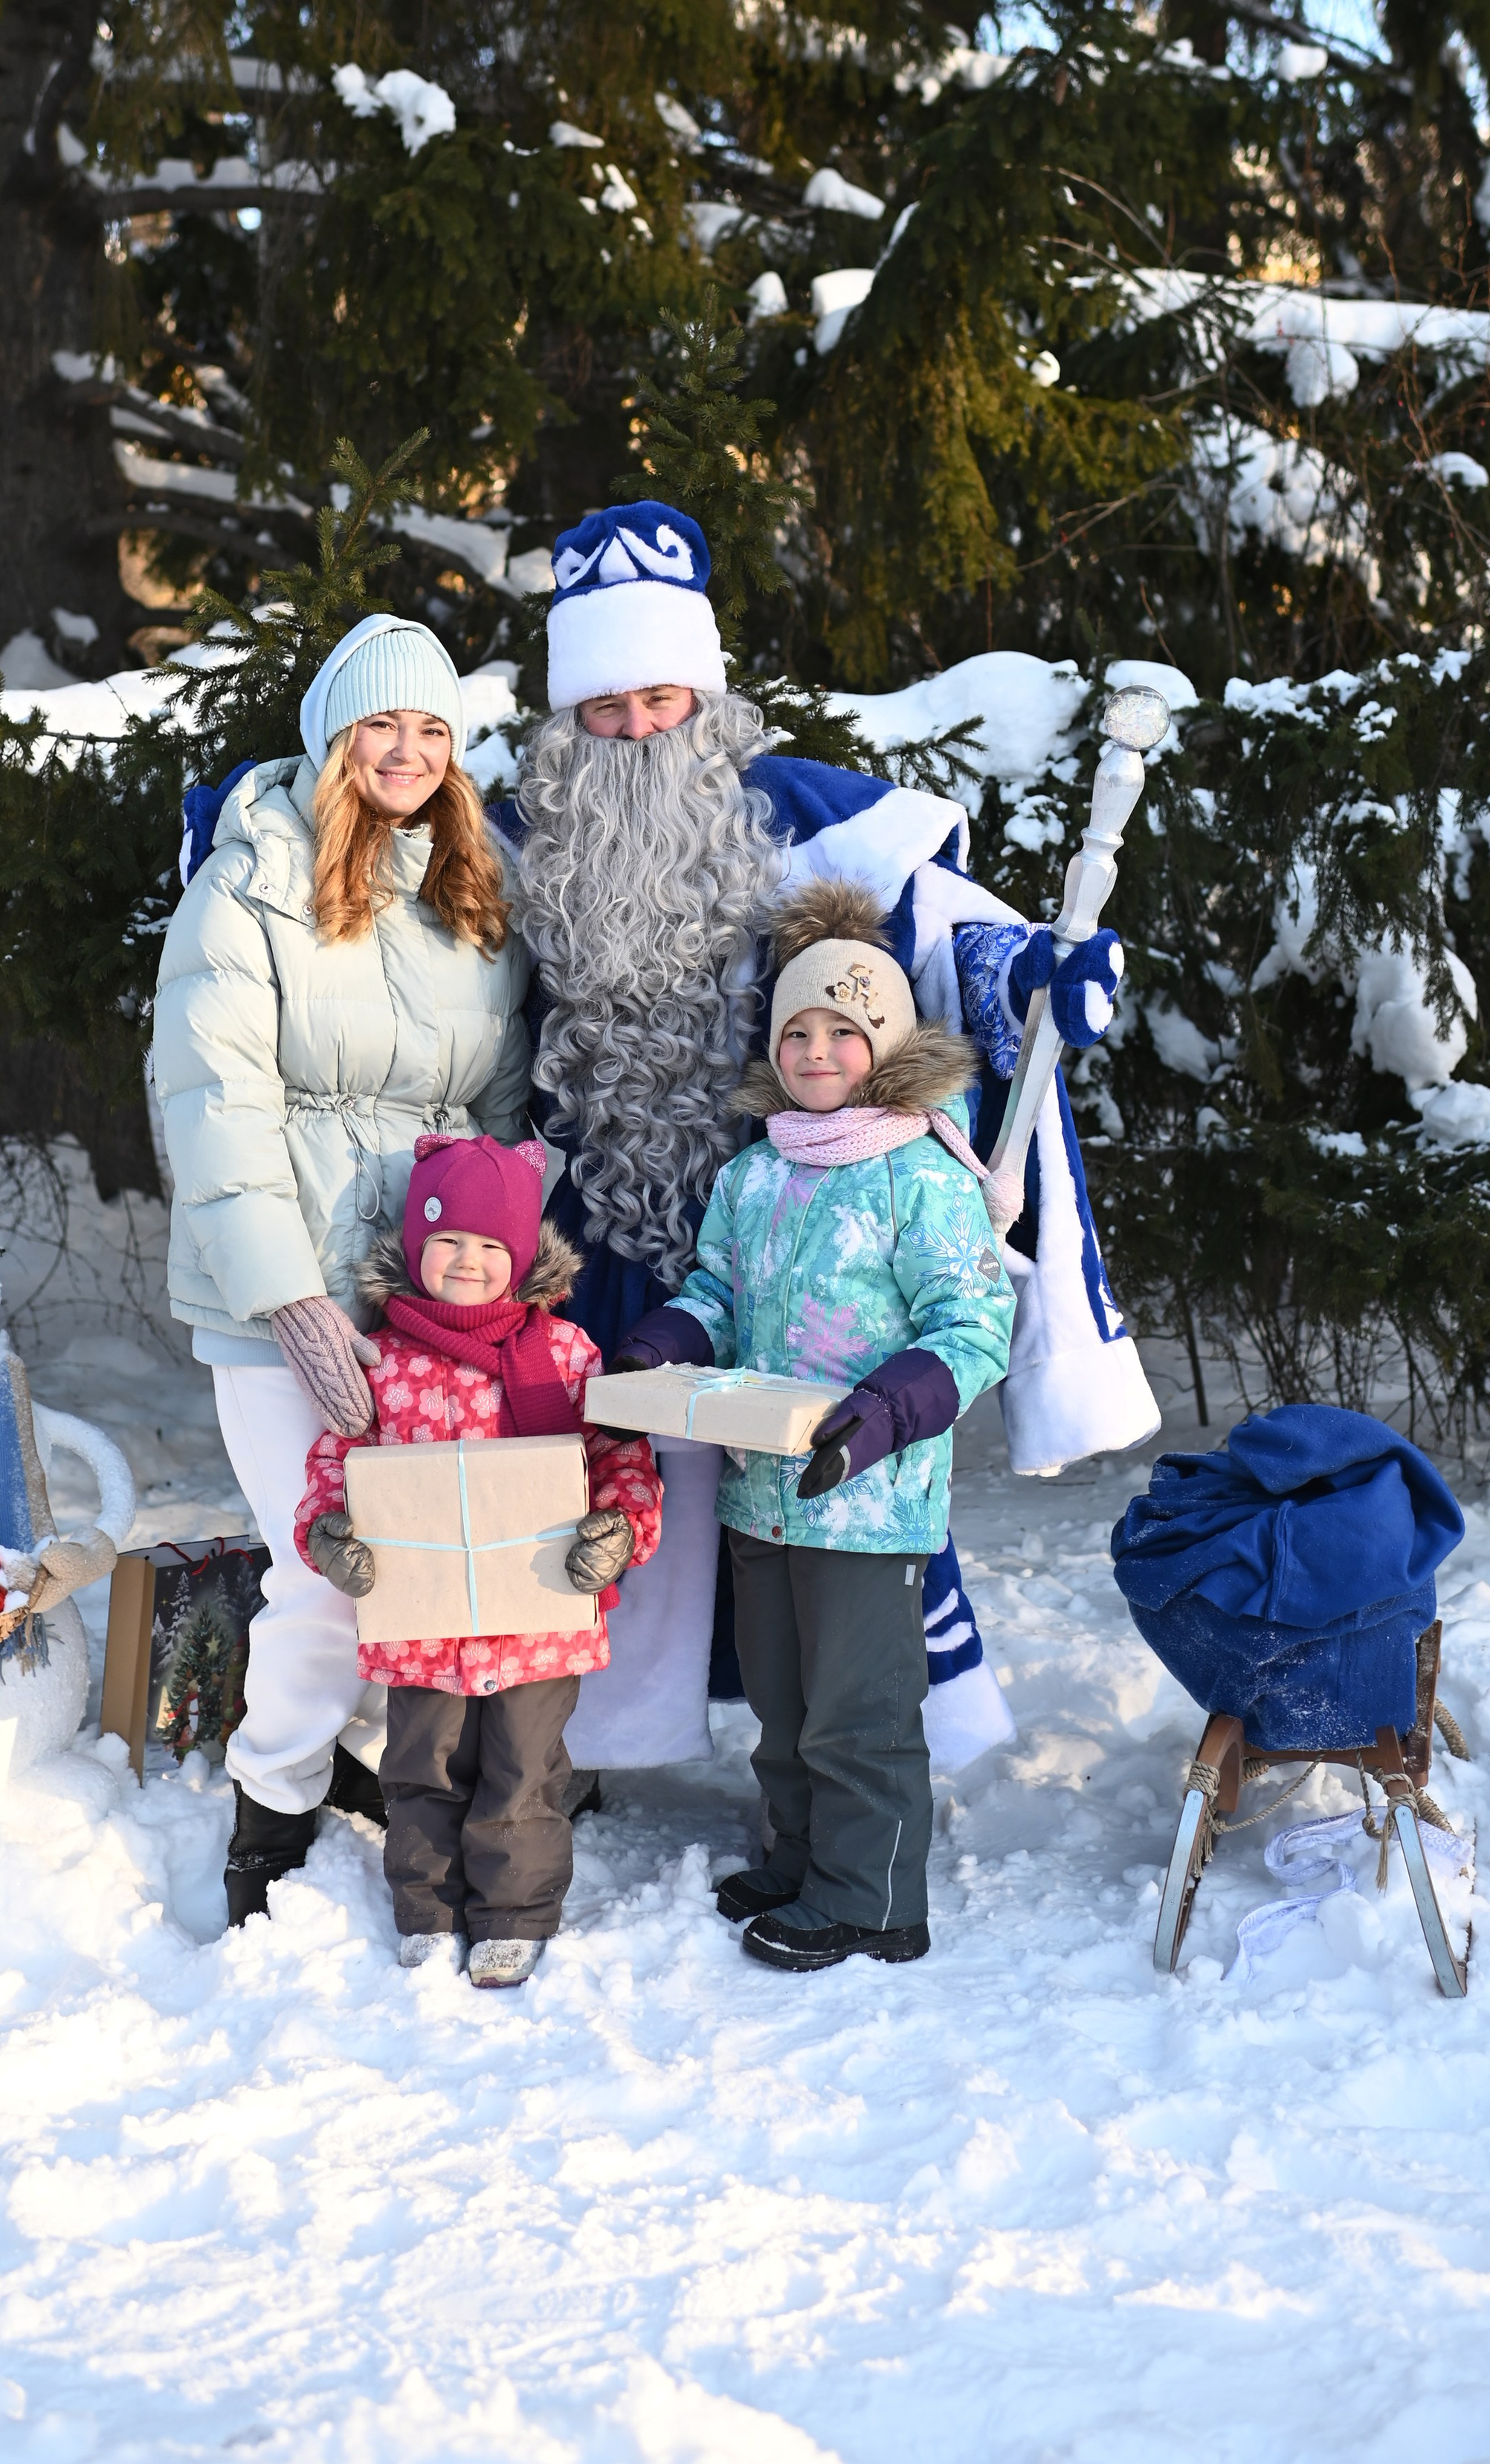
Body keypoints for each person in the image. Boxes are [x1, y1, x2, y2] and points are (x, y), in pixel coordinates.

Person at [488, 502, 1158, 1775]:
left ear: (705, 699)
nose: (637, 730)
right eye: (606, 708)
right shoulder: (517, 843)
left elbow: (949, 941)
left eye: (661, 699)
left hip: (803, 1231)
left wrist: (1033, 974)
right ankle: (590, 1744)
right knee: (604, 1478)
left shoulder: (813, 822)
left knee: (825, 1492)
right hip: (605, 1229)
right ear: (568, 720)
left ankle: (851, 1760)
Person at [154, 617, 531, 1926]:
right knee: (324, 1566)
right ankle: (270, 1805)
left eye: (433, 729)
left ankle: (356, 1757)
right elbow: (214, 1104)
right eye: (383, 724)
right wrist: (292, 1300)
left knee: (424, 1557)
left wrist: (503, 1269)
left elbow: (502, 1113)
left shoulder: (472, 893)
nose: (408, 751)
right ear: (334, 738)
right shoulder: (248, 883)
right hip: (285, 1296)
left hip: (430, 1299)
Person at [617, 881, 1015, 1971]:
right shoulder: (755, 1173)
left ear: (885, 1046)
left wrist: (883, 1412)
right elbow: (716, 1290)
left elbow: (973, 1326)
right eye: (797, 1031)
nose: (817, 1050)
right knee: (784, 1703)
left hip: (869, 1499)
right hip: (764, 1489)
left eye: (843, 1030)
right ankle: (798, 1858)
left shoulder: (919, 1174)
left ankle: (872, 1898)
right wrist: (664, 1344)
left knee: (856, 1710)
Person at [293, 1133, 661, 1985]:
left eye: (492, 1244)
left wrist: (618, 1530)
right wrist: (330, 1534)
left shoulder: (563, 1353)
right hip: (422, 1622)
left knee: (522, 1772)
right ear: (416, 1244)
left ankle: (512, 1913)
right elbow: (336, 1462)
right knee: (421, 1769)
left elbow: (618, 1458)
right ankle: (427, 1908)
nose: (468, 1259)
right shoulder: (381, 1361)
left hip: (537, 1618)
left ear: (523, 1254)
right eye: (449, 1238)